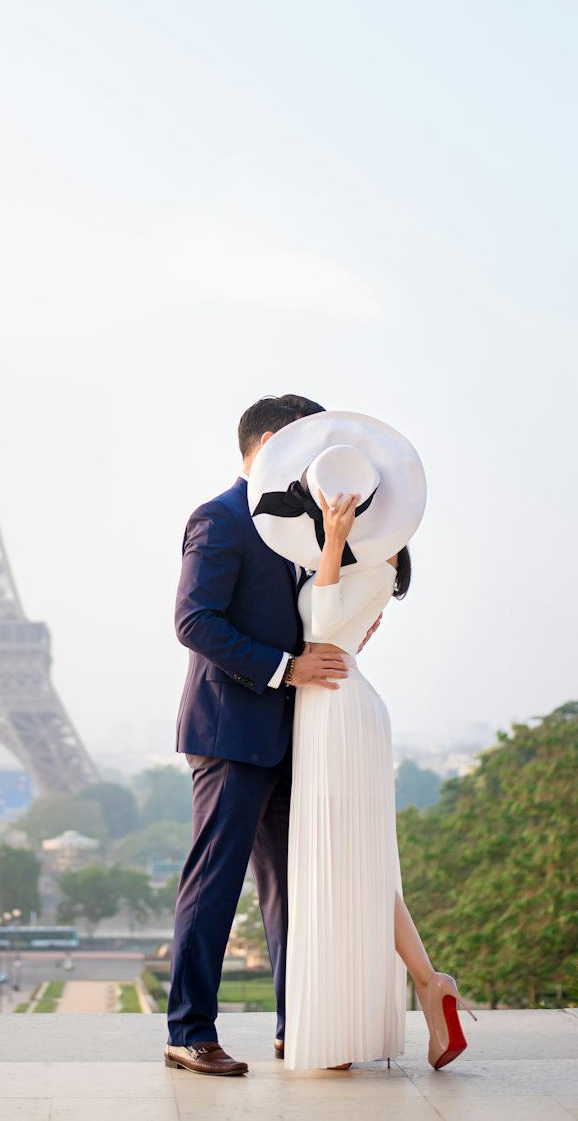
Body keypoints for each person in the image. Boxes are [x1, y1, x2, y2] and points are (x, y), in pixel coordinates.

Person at [248, 414, 474, 1072]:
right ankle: (429, 987)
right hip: (336, 707)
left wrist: (336, 540)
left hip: (340, 712)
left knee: (346, 865)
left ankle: (414, 993)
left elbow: (319, 627)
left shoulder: (375, 558)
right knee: (359, 866)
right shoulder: (359, 561)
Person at [164, 393, 349, 1079]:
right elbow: (195, 621)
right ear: (269, 442)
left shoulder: (304, 527)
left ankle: (294, 1025)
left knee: (292, 890)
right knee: (214, 884)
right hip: (230, 727)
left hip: (294, 732)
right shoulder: (219, 517)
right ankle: (189, 1032)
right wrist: (286, 668)